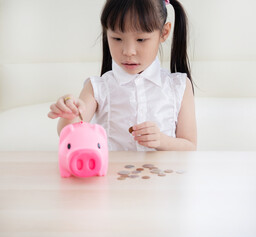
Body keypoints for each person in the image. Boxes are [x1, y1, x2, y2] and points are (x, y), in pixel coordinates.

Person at [48, 0, 197, 151]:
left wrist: (162, 141)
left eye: (141, 39)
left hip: (165, 174)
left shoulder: (179, 86)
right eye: (117, 39)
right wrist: (69, 111)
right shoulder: (97, 88)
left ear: (164, 33)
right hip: (113, 174)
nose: (128, 51)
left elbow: (190, 146)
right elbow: (69, 132)